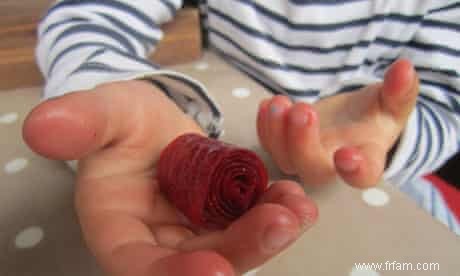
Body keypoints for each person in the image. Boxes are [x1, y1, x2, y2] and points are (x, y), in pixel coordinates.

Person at [23, 0, 459, 275]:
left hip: (392, 193)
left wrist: (390, 136)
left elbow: (448, 104)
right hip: (211, 134)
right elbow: (86, 17)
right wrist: (114, 84)